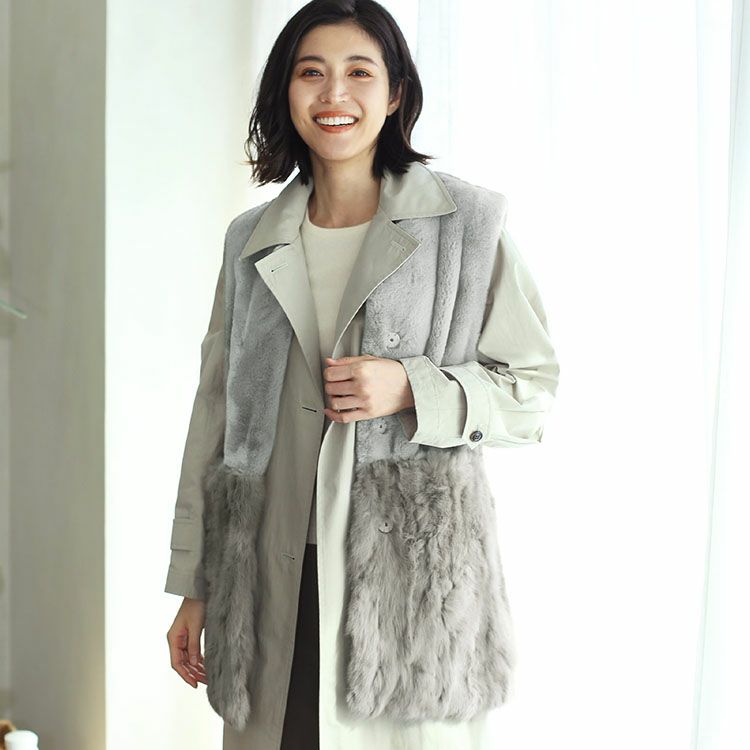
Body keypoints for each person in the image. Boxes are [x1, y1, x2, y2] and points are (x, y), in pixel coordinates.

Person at [165, 1, 560, 749]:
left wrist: (416, 389)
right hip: (270, 579)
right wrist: (193, 583)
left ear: (396, 92)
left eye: (359, 72)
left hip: (407, 595)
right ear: (286, 90)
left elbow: (532, 392)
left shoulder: (466, 225)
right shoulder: (251, 239)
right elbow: (213, 415)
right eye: (311, 73)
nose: (334, 95)